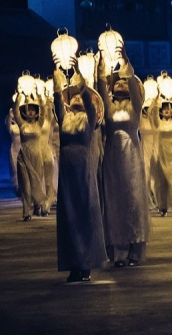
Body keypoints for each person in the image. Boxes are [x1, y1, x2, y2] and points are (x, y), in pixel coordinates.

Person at [96, 47, 150, 267]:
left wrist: (125, 60)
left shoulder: (134, 107)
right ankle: (117, 251)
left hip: (132, 156)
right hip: (112, 157)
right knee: (114, 200)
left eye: (123, 82)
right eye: (116, 81)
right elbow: (100, 87)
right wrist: (102, 63)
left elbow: (135, 91)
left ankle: (135, 250)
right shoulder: (107, 108)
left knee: (133, 199)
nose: (119, 83)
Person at [53, 67, 107, 282]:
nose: (75, 98)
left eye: (79, 97)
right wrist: (58, 78)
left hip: (83, 167)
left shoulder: (89, 119)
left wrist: (81, 85)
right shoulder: (64, 119)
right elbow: (58, 102)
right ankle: (73, 264)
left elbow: (90, 104)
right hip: (66, 170)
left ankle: (86, 264)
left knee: (84, 213)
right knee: (69, 216)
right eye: (72, 96)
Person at [13, 91, 48, 221]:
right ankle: (26, 212)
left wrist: (39, 95)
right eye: (29, 110)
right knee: (25, 186)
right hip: (23, 157)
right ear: (25, 112)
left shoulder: (39, 124)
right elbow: (15, 110)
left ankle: (38, 205)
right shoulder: (22, 124)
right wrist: (19, 97)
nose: (31, 112)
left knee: (36, 184)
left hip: (36, 157)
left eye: (33, 110)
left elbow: (44, 110)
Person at [5, 107, 21, 199]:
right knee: (15, 168)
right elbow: (7, 123)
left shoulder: (24, 125)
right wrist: (10, 114)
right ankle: (17, 187)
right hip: (14, 149)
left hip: (24, 148)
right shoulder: (12, 126)